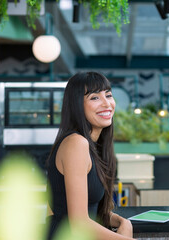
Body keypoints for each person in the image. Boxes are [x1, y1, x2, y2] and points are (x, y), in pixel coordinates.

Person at [46, 72, 134, 240]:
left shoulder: (94, 145)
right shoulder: (76, 143)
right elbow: (79, 223)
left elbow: (93, 213)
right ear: (77, 105)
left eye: (108, 95)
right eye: (95, 98)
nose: (107, 103)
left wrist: (124, 222)